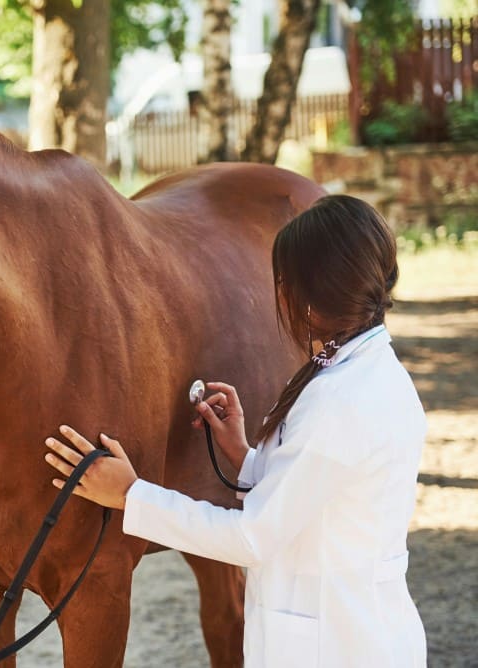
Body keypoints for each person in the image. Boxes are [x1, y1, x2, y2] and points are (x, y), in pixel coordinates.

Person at [44, 195, 427, 667]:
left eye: (284, 282)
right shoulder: (364, 371)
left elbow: (252, 538)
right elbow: (312, 495)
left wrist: (130, 495)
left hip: (335, 647)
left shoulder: (341, 399)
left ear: (309, 295)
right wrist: (245, 455)